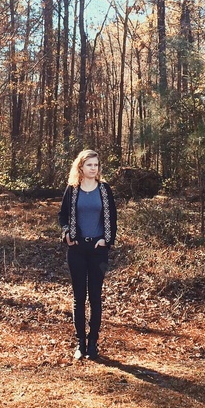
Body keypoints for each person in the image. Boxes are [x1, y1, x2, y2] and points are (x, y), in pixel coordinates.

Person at [58, 149, 118, 361]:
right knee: (79, 297)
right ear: (81, 167)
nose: (93, 168)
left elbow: (113, 217)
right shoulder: (72, 190)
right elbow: (62, 215)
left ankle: (93, 343)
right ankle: (80, 343)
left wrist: (107, 240)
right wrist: (66, 233)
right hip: (77, 249)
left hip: (98, 250)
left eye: (96, 165)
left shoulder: (104, 189)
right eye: (89, 165)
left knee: (95, 296)